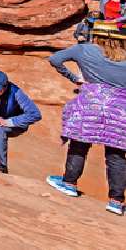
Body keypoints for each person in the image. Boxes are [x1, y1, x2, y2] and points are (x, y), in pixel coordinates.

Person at [45, 21, 126, 215]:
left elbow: (55, 59)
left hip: (91, 104)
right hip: (120, 110)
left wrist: (74, 78)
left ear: (95, 35)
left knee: (79, 144)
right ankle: (116, 201)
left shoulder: (84, 50)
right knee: (116, 154)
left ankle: (69, 183)